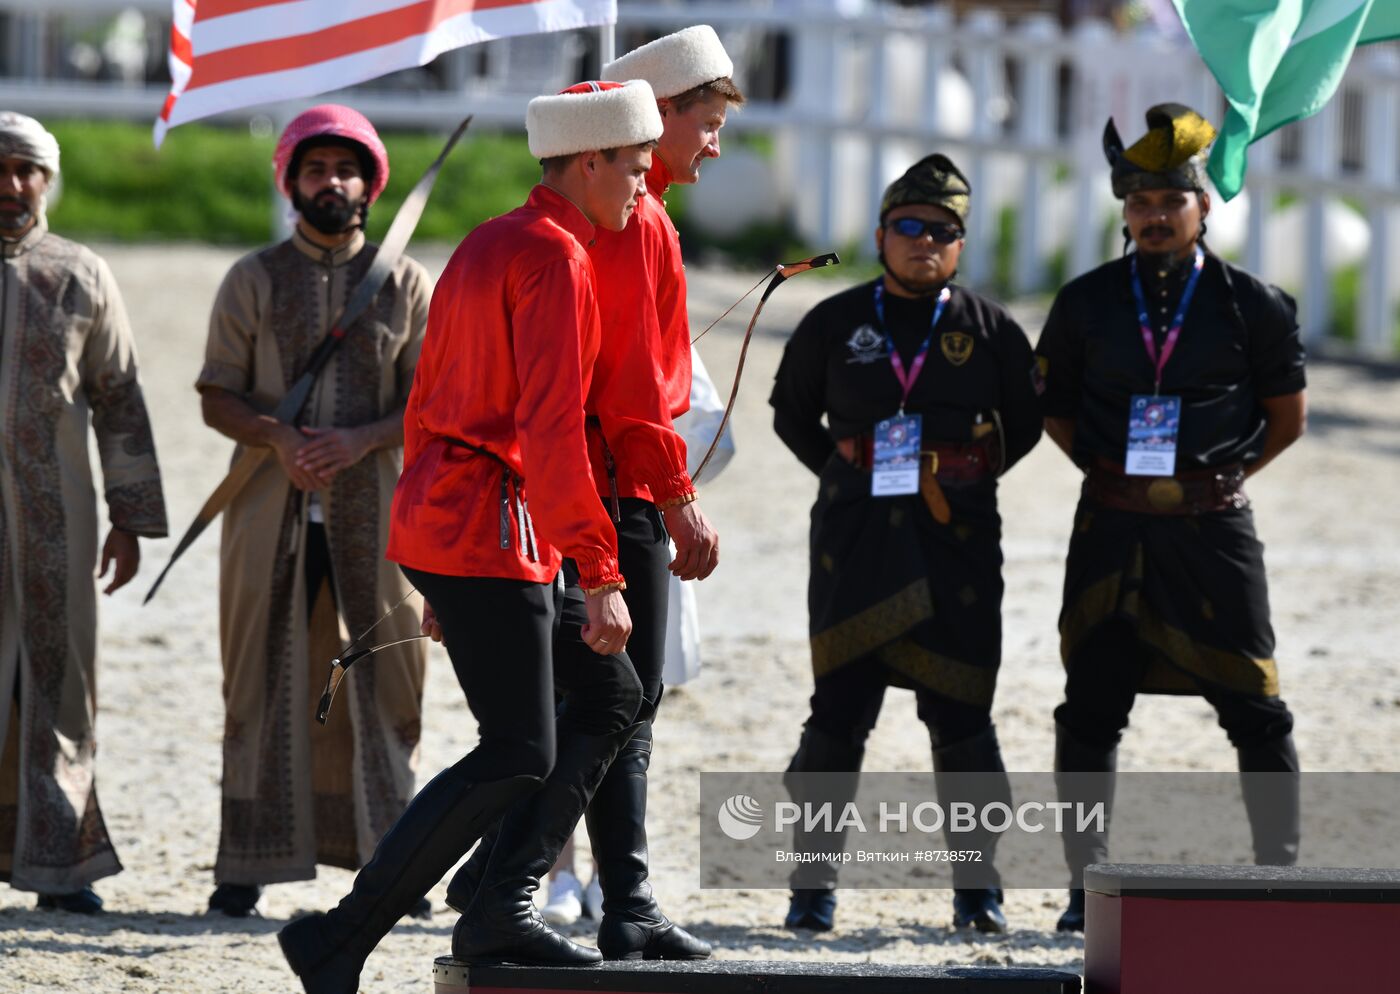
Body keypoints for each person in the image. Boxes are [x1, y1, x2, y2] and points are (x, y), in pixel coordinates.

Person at [277, 79, 662, 991]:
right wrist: (601, 572)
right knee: (521, 745)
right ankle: (343, 934)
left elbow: (433, 400)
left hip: (453, 520)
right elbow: (556, 431)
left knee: (609, 695)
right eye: (637, 172)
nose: (642, 190)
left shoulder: (492, 240)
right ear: (591, 161)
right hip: (486, 524)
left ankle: (494, 910)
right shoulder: (559, 258)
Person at [441, 26, 742, 961]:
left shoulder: (630, 215)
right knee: (618, 697)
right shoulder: (632, 221)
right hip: (602, 490)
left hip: (598, 483)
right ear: (661, 111)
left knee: (622, 698)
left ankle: (613, 895)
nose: (713, 144)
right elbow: (626, 390)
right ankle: (522, 879)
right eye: (708, 121)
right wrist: (677, 494)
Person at [1035, 103, 1307, 932]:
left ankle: (1282, 876)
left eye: (1170, 202)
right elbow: (1058, 410)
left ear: (1203, 207)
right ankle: (1087, 887)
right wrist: (1118, 481)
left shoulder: (1253, 305)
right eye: (1140, 204)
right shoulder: (1084, 302)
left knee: (1257, 708)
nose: (1154, 217)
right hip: (1111, 526)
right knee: (1089, 706)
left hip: (1215, 530)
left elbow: (1285, 418)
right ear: (1124, 210)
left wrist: (1211, 485)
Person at [769, 153, 1042, 933]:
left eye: (943, 231)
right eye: (909, 227)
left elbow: (1022, 428)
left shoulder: (991, 330)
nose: (924, 241)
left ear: (961, 245)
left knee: (962, 717)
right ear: (883, 234)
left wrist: (960, 479)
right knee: (837, 717)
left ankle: (977, 893)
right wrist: (847, 474)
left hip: (955, 539)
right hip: (853, 540)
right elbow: (792, 414)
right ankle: (810, 891)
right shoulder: (834, 321)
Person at [196, 105, 431, 917]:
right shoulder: (252, 277)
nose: (332, 183)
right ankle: (247, 867)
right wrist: (278, 438)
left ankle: (395, 867)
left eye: (346, 169)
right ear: (291, 182)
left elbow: (434, 404)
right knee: (259, 678)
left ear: (372, 185)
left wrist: (363, 439)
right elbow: (215, 394)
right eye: (315, 170)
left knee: (391, 683)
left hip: (385, 516)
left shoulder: (406, 282)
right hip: (269, 512)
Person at [0, 111, 168, 913]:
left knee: (60, 688)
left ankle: (59, 868)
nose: (12, 185)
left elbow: (119, 399)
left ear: (48, 180)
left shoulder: (79, 274)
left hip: (56, 522)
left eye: (27, 170)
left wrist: (131, 516)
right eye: (0, 168)